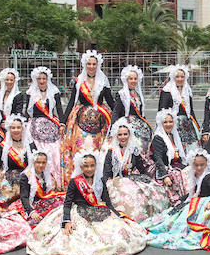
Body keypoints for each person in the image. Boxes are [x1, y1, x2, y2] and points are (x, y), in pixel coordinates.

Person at [26, 149, 148, 255]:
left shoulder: (100, 180)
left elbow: (107, 202)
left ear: (96, 166)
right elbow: (67, 203)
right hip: (79, 212)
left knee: (119, 234)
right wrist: (67, 221)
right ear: (81, 167)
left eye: (92, 165)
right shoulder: (75, 181)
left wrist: (119, 216)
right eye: (86, 166)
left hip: (98, 210)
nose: (89, 169)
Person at [142, 148, 210, 250]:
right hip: (199, 200)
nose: (199, 167)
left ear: (207, 163)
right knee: (175, 215)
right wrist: (182, 199)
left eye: (202, 165)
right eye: (196, 165)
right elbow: (195, 192)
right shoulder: (196, 174)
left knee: (187, 221)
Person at [61, 50, 114, 186]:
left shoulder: (103, 81)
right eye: (89, 64)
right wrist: (62, 121)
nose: (91, 66)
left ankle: (96, 182)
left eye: (94, 64)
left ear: (98, 65)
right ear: (85, 64)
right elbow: (72, 102)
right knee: (81, 149)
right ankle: (79, 182)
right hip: (80, 121)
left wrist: (121, 117)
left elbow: (110, 101)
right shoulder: (79, 81)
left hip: (100, 123)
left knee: (98, 150)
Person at [102, 118, 170, 222]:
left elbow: (141, 168)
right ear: (116, 136)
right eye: (120, 135)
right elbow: (106, 174)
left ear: (129, 135)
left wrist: (150, 181)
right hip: (116, 183)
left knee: (147, 193)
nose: (123, 137)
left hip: (130, 179)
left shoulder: (133, 150)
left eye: (125, 134)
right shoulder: (111, 152)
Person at [22, 66, 65, 188]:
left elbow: (60, 110)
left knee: (55, 151)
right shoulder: (30, 93)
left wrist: (62, 123)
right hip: (35, 125)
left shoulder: (54, 92)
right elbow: (27, 112)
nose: (41, 81)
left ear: (47, 79)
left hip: (51, 124)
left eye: (44, 79)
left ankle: (55, 180)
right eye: (39, 78)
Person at [0, 115, 37, 212]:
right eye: (13, 128)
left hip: (28, 176)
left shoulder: (30, 144)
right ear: (9, 129)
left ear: (23, 128)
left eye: (18, 127)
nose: (16, 130)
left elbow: (36, 162)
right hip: (10, 178)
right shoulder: (3, 146)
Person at [17, 150, 66, 228]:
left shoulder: (46, 174)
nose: (41, 165)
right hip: (31, 204)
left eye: (43, 162)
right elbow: (24, 197)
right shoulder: (26, 176)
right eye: (38, 162)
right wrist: (31, 212)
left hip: (42, 200)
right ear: (33, 162)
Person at [150, 109, 189, 204]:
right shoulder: (158, 137)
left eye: (170, 122)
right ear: (160, 123)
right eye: (165, 122)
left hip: (177, 165)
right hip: (164, 167)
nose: (168, 124)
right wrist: (165, 176)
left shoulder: (174, 135)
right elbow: (158, 158)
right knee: (179, 176)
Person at [158, 64, 200, 150]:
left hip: (188, 125)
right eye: (177, 77)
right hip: (173, 124)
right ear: (173, 77)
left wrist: (197, 125)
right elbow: (162, 111)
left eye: (182, 77)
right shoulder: (167, 91)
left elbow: (191, 110)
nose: (180, 79)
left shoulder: (187, 90)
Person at [113, 65, 153, 148]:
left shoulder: (138, 95)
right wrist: (113, 130)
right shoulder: (122, 94)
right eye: (131, 79)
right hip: (127, 127)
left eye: (135, 79)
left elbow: (141, 113)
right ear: (126, 80)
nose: (133, 81)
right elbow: (116, 113)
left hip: (139, 127)